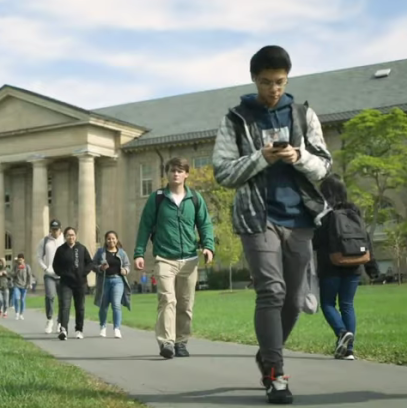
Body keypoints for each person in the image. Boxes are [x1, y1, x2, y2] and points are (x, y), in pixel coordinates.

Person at [211, 45, 332, 404]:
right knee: (272, 291)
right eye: (266, 82)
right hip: (257, 217)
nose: (273, 90)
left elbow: (325, 165)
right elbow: (222, 172)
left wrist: (298, 156)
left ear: (287, 79)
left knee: (293, 301)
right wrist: (262, 157)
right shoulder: (236, 119)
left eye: (279, 82)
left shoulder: (303, 114)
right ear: (254, 79)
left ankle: (267, 353)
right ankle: (276, 373)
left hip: (300, 219)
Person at [133, 157, 215, 359]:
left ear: (186, 174)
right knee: (167, 300)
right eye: (172, 170)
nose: (175, 174)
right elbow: (145, 226)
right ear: (166, 174)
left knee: (185, 305)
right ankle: (167, 342)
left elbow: (205, 224)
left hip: (189, 259)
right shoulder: (157, 198)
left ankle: (181, 341)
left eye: (180, 171)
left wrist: (208, 247)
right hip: (164, 259)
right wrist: (139, 253)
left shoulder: (195, 198)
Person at [313, 174, 379, 361]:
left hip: (331, 266)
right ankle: (349, 350)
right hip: (354, 266)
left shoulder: (325, 215)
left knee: (327, 304)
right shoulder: (354, 212)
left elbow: (316, 241)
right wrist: (371, 267)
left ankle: (342, 333)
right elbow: (367, 240)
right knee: (347, 305)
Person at [52, 227, 94, 341]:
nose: (71, 237)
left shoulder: (81, 249)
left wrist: (84, 273)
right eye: (69, 235)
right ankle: (63, 330)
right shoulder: (61, 250)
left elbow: (90, 263)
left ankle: (79, 330)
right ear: (65, 237)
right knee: (65, 306)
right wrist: (63, 274)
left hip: (80, 283)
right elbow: (55, 265)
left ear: (76, 236)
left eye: (73, 235)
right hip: (66, 283)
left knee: (80, 307)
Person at [92, 230, 132, 339]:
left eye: (113, 238)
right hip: (104, 281)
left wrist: (125, 271)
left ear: (117, 239)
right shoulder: (101, 252)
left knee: (116, 304)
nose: (111, 240)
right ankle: (103, 326)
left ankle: (117, 328)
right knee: (104, 306)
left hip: (118, 280)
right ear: (105, 240)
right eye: (109, 238)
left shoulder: (122, 253)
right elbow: (93, 265)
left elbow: (128, 265)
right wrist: (100, 268)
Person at [36, 219, 65, 333]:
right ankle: (49, 319)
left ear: (60, 229)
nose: (55, 232)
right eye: (53, 229)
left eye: (57, 229)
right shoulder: (45, 241)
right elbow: (38, 256)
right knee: (50, 297)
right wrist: (45, 268)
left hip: (63, 275)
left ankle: (60, 322)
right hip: (50, 274)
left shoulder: (64, 239)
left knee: (63, 300)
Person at [11, 253, 33, 320]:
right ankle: (17, 313)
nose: (20, 261)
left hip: (24, 286)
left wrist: (30, 284)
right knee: (17, 298)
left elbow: (29, 276)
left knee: (22, 300)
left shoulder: (27, 266)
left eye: (21, 260)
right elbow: (11, 274)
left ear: (23, 260)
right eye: (19, 260)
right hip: (16, 285)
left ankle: (21, 314)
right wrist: (17, 271)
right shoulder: (15, 266)